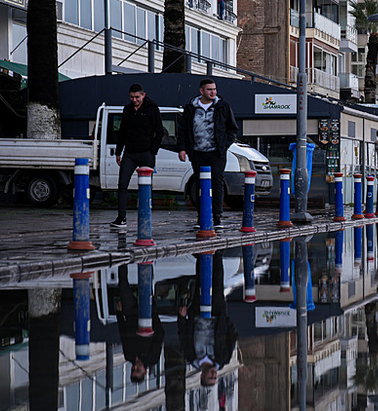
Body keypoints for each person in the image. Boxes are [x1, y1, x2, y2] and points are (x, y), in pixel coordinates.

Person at [177, 78, 239, 229]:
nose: (213, 92)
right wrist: (183, 148)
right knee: (200, 184)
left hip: (216, 153)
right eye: (209, 89)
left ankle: (217, 218)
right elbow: (183, 130)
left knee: (217, 183)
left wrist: (224, 145)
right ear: (201, 91)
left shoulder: (222, 107)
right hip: (197, 152)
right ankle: (202, 217)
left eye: (214, 89)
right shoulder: (191, 108)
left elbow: (233, 128)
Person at [178, 251, 238, 387]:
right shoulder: (223, 358)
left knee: (201, 280)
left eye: (210, 377)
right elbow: (232, 337)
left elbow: (183, 334)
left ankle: (203, 253)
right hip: (216, 313)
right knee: (216, 281)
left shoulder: (191, 356)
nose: (214, 374)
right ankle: (217, 253)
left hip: (197, 312)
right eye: (214, 377)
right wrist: (225, 320)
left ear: (202, 375)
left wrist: (182, 318)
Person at [111, 83, 164, 228]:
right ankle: (121, 217)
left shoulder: (152, 108)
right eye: (132, 97)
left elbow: (160, 131)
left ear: (143, 95)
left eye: (137, 97)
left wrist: (153, 151)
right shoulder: (127, 109)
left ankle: (145, 216)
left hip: (146, 153)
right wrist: (118, 152)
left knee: (146, 186)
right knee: (122, 184)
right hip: (130, 153)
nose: (134, 100)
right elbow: (122, 132)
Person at [115, 264, 165, 383]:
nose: (135, 367)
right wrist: (153, 314)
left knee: (122, 284)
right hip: (147, 313)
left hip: (130, 314)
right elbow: (160, 335)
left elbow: (123, 335)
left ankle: (122, 256)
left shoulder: (129, 355)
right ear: (144, 371)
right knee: (146, 283)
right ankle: (148, 259)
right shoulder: (152, 358)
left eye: (133, 370)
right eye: (138, 370)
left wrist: (119, 314)